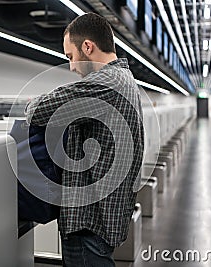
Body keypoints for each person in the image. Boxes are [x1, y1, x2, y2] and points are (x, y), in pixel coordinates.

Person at [25, 12, 144, 267]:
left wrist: (35, 102)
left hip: (89, 220)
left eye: (70, 56)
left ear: (87, 47)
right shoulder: (123, 78)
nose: (71, 66)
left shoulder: (105, 83)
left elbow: (37, 111)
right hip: (103, 215)